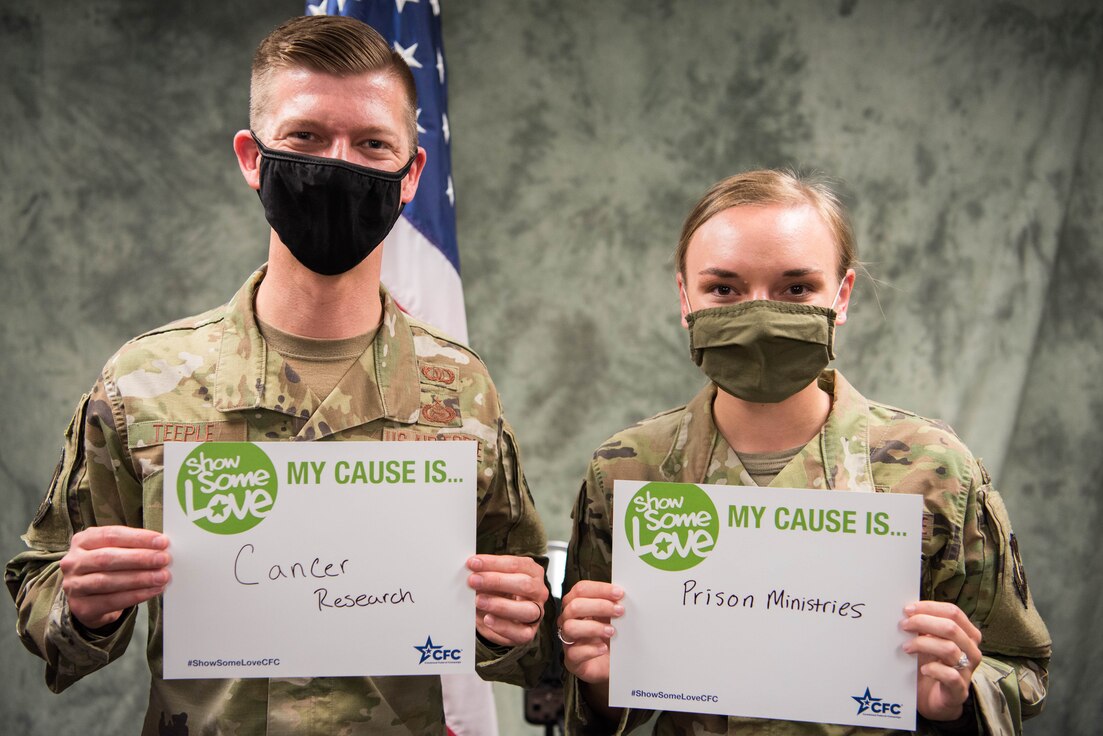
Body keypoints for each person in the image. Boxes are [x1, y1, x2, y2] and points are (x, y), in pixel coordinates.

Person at [7, 15, 551, 735]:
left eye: (371, 144)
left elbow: (524, 623)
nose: (337, 163)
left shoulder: (461, 389)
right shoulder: (143, 381)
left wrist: (514, 621)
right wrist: (82, 602)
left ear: (411, 172)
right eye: (304, 138)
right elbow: (41, 590)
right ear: (252, 156)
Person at [557, 170, 1051, 735]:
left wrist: (957, 693)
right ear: (684, 297)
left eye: (796, 289)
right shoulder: (626, 469)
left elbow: (1022, 668)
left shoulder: (935, 470)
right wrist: (598, 679)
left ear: (841, 296)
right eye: (724, 289)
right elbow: (607, 690)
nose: (760, 313)